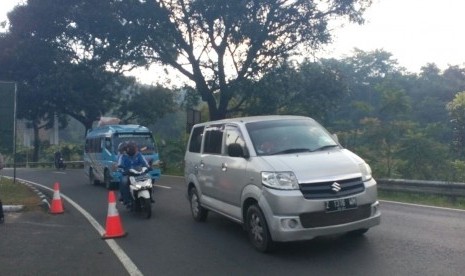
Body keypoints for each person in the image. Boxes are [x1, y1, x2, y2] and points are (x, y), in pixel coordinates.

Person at [117, 141, 151, 208]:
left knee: (149, 178)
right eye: (130, 148)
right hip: (128, 174)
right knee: (124, 182)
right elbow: (119, 165)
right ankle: (127, 200)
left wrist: (149, 167)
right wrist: (121, 170)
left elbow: (145, 163)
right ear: (127, 149)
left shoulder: (139, 155)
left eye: (133, 148)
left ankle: (150, 196)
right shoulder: (123, 156)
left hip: (139, 173)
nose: (132, 149)